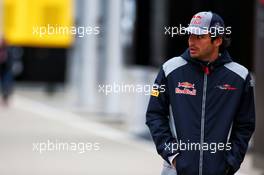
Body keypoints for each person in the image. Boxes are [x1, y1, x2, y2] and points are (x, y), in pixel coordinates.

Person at [146, 11, 255, 175]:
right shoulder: (170, 70)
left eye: (199, 37)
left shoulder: (240, 76)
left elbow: (245, 125)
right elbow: (154, 115)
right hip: (176, 170)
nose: (191, 41)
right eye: (190, 35)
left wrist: (230, 163)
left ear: (217, 40)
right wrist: (172, 155)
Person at [0, 38, 13, 105]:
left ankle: (5, 99)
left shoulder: (8, 51)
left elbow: (10, 61)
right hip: (2, 70)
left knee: (6, 85)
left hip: (6, 71)